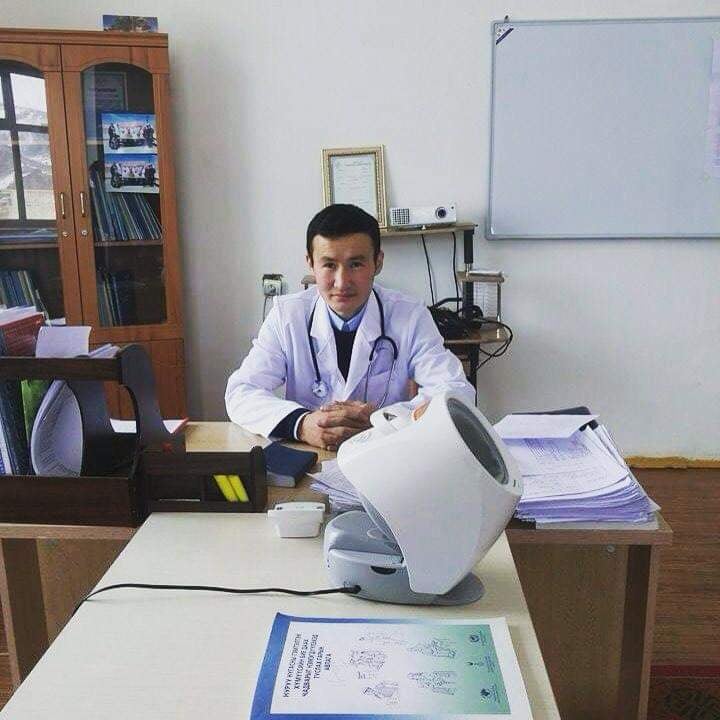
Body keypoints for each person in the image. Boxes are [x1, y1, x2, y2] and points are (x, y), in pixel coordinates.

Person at [225, 204, 474, 450]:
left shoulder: (410, 316)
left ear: (378, 262)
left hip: (384, 454)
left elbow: (457, 393)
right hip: (312, 460)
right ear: (310, 263)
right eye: (329, 265)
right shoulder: (287, 316)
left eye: (356, 264)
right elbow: (241, 392)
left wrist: (383, 421)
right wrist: (302, 424)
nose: (342, 282)